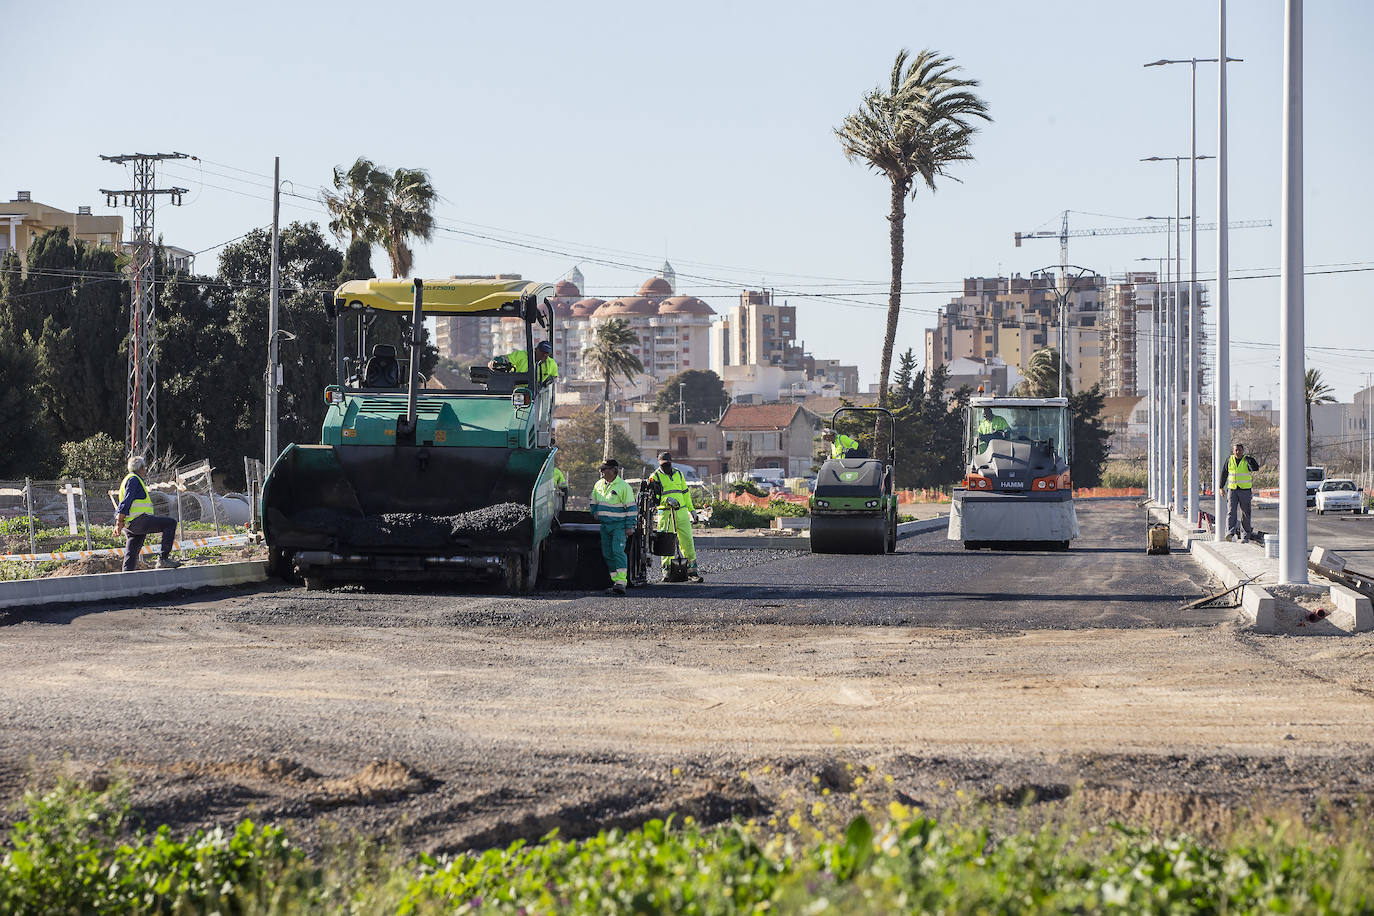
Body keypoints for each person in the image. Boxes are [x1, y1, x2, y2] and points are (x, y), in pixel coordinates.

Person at [114, 456, 182, 571]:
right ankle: (163, 559)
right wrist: (119, 521)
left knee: (132, 553)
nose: (145, 470)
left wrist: (120, 522)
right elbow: (127, 501)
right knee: (170, 523)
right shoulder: (134, 479)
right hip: (139, 521)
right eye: (144, 467)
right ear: (141, 468)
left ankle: (126, 578)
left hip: (130, 525)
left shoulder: (128, 479)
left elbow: (125, 501)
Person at [649, 451, 703, 583]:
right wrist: (666, 500)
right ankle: (667, 573)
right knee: (666, 543)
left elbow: (685, 493)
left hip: (682, 512)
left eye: (667, 464)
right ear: (659, 463)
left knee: (687, 542)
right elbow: (653, 498)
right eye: (663, 464)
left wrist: (692, 511)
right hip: (666, 513)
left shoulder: (678, 473)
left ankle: (692, 572)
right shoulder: (654, 477)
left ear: (671, 462)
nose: (665, 466)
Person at [590, 458, 637, 595]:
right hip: (605, 526)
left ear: (613, 470)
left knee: (617, 551)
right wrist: (595, 513)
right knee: (608, 554)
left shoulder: (623, 487)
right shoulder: (599, 484)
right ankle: (616, 581)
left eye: (604, 469)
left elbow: (631, 509)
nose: (601, 472)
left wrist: (629, 526)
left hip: (619, 526)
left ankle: (622, 582)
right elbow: (593, 501)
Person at [1218, 441, 1260, 542]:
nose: (1237, 452)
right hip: (1232, 490)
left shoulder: (1247, 460)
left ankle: (1245, 536)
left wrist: (1250, 461)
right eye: (1236, 450)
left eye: (1239, 450)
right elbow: (1224, 473)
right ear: (1233, 451)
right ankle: (1229, 533)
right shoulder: (1229, 460)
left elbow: (1255, 468)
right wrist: (1221, 487)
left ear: (1243, 451)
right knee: (1231, 512)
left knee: (1245, 513)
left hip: (1245, 490)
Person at [489, 339, 558, 386]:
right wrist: (497, 361)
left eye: (547, 353)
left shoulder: (552, 364)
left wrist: (547, 382)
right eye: (542, 352)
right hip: (517, 391)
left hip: (537, 393)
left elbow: (554, 377)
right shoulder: (521, 355)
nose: (544, 355)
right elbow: (506, 359)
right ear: (536, 349)